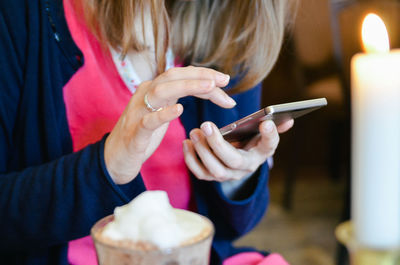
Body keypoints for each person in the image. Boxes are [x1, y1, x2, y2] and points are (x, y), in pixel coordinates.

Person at [0, 0, 294, 264]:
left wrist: (238, 177)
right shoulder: (20, 15)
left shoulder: (227, 22)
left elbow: (232, 229)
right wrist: (108, 166)